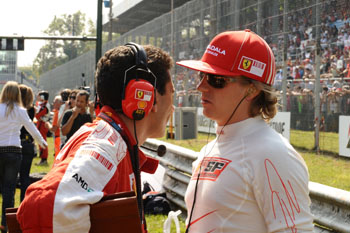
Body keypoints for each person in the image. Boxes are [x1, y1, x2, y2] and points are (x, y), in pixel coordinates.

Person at [17, 43, 174, 233]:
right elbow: (42, 204)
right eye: (172, 93)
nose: (173, 108)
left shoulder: (111, 138)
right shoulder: (107, 145)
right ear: (149, 97)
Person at [177, 30, 314, 232]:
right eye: (202, 75)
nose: (201, 87)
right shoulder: (210, 149)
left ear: (252, 89)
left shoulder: (273, 154)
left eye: (216, 79)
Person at [0, 81, 47, 233]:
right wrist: (42, 142)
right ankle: (5, 223)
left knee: (3, 187)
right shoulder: (20, 110)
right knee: (9, 189)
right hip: (14, 151)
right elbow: (31, 129)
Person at [35, 90, 50, 166]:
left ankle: (44, 158)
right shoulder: (42, 104)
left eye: (39, 95)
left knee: (42, 140)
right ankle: (42, 158)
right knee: (40, 140)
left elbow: (37, 115)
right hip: (40, 123)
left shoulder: (45, 105)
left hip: (43, 124)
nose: (37, 97)